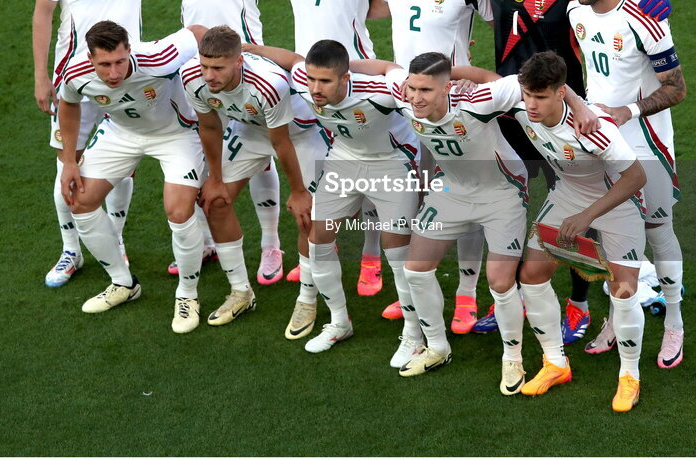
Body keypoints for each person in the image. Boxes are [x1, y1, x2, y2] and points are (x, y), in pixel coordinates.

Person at [472, 0, 671, 342]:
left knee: (579, 201)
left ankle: (579, 305)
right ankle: (515, 295)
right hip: (513, 110)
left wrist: (655, 0)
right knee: (507, 197)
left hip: (564, 112)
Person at [347, 52, 533, 395]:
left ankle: (512, 357)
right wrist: (345, 65)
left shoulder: (479, 99)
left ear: (447, 88)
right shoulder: (404, 95)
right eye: (412, 88)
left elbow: (529, 82)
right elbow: (386, 67)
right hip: (450, 190)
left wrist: (581, 110)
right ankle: (437, 346)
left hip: (501, 193)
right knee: (415, 268)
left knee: (500, 281)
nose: (416, 98)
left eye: (426, 91)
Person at [32, 0, 171, 288]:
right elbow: (43, 13)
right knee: (67, 163)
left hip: (126, 74)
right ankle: (70, 250)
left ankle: (115, 238)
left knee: (124, 164)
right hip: (75, 75)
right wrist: (42, 77)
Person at [245, 39, 423, 362]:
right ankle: (339, 321)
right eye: (312, 79)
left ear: (344, 79)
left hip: (391, 162)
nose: (314, 88)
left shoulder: (380, 91)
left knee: (397, 251)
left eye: (325, 81)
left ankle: (414, 334)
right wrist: (255, 50)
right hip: (344, 160)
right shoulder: (304, 80)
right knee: (317, 240)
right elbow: (293, 61)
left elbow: (396, 74)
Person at [151, 0, 284, 286]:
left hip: (245, 54)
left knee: (257, 143)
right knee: (200, 135)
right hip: (194, 54)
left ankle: (270, 245)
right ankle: (207, 239)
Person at [370, 0, 494, 333]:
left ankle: (466, 295)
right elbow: (385, 8)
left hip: (457, 108)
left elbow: (502, 19)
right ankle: (412, 292)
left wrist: (476, 74)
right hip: (408, 103)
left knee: (467, 200)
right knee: (420, 195)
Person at [261, 0, 389, 295]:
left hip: (355, 78)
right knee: (320, 168)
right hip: (306, 78)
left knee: (368, 171)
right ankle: (316, 252)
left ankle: (371, 258)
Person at [566, 0, 688, 369]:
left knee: (657, 232)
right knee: (606, 235)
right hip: (602, 143)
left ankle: (674, 322)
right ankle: (619, 317)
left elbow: (677, 88)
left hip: (647, 143)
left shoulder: (646, 19)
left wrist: (627, 111)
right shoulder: (574, 10)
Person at [509, 51, 649, 412]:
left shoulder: (594, 128)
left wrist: (587, 217)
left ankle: (629, 376)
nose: (531, 105)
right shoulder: (523, 99)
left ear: (559, 93)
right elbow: (480, 77)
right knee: (532, 274)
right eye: (528, 96)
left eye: (541, 97)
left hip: (616, 203)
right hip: (569, 195)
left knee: (624, 289)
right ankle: (555, 363)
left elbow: (636, 178)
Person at [57, 21, 207, 333]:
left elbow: (198, 31)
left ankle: (188, 295)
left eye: (120, 62)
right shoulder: (76, 72)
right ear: (90, 58)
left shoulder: (158, 57)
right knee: (80, 201)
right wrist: (70, 159)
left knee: (179, 211)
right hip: (121, 132)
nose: (113, 73)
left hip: (177, 134)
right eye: (104, 65)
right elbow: (69, 106)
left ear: (129, 50)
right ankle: (123, 283)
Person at [181, 26, 329, 330]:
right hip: (250, 128)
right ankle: (240, 291)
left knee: (310, 214)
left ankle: (307, 300)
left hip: (299, 133)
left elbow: (281, 142)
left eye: (218, 68)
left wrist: (299, 190)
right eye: (205, 65)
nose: (209, 75)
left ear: (239, 62)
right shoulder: (192, 77)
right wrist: (216, 178)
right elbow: (209, 128)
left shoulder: (267, 84)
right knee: (215, 200)